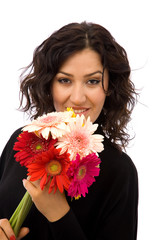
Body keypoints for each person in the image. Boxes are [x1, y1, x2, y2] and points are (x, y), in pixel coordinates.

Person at [0, 21, 138, 240]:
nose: (77, 98)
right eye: (64, 80)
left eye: (92, 81)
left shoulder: (119, 171)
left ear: (110, 87)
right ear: (48, 84)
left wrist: (58, 214)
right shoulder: (22, 139)